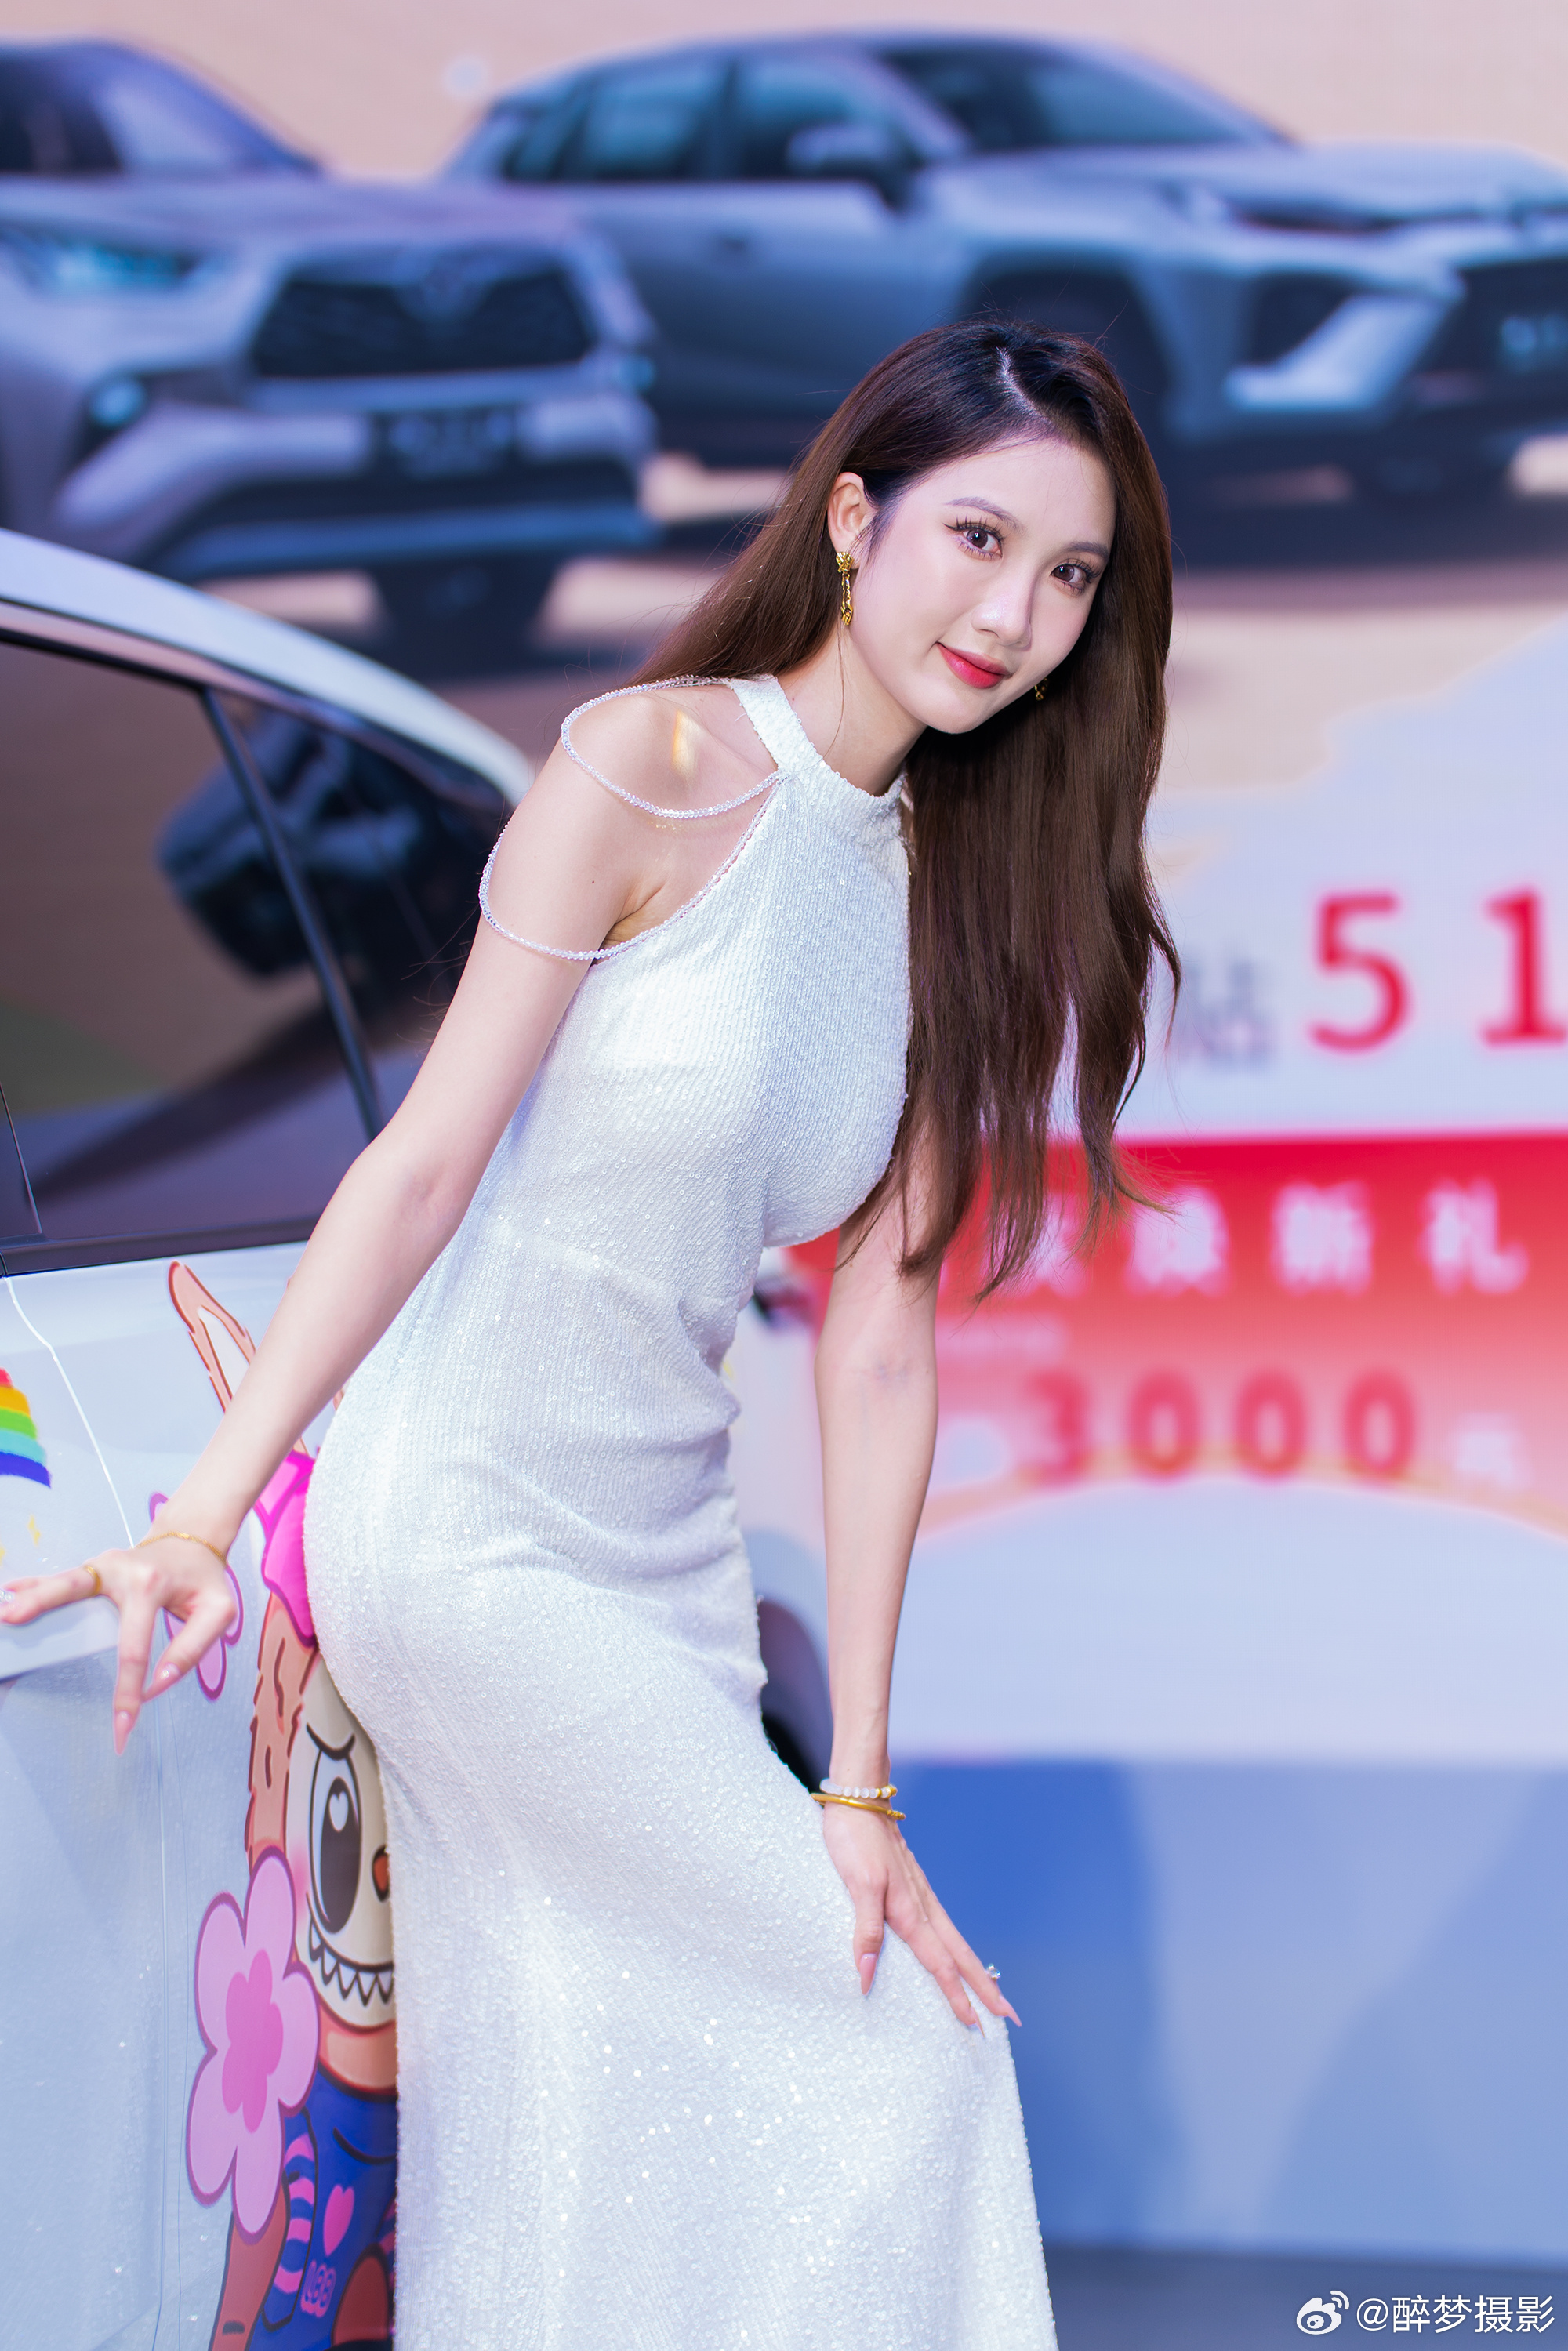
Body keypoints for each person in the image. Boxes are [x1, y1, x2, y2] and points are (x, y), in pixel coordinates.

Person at [3, 320, 1174, 2347]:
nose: (1014, 616)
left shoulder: (952, 895)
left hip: (672, 1567)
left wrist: (861, 1785)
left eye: (1069, 576)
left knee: (589, 2108)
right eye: (979, 539)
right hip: (469, 1527)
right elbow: (420, 1167)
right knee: (904, 2062)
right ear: (854, 519)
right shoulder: (654, 765)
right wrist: (203, 1511)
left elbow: (882, 1344)